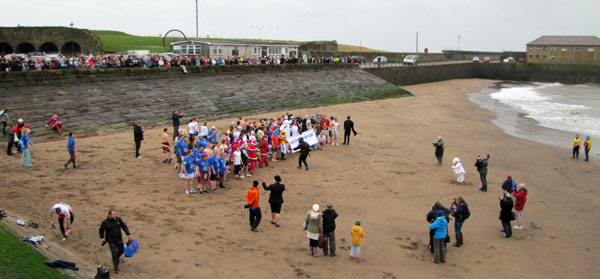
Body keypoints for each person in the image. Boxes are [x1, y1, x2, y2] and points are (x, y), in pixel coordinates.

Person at [99, 210, 133, 274]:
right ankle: (115, 267)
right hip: (111, 241)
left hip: (119, 239)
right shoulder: (105, 222)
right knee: (114, 254)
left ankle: (116, 259)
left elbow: (124, 226)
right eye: (113, 214)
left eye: (115, 214)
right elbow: (101, 229)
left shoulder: (118, 220)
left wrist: (128, 234)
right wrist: (102, 237)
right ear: (109, 215)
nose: (115, 215)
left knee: (121, 250)